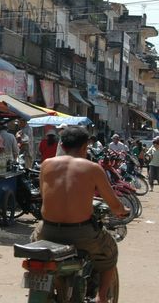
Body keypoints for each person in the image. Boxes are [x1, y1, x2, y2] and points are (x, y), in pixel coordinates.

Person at [32, 127, 129, 303]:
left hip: (47, 231)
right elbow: (114, 204)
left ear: (61, 145)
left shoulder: (46, 164)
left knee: (35, 242)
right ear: (85, 147)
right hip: (82, 234)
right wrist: (122, 211)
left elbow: (43, 194)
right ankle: (102, 297)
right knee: (110, 252)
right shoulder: (93, 168)